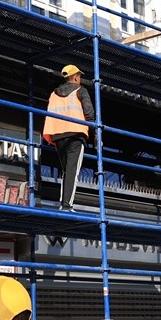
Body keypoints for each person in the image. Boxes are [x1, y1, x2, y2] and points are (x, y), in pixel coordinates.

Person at [43, 64, 94, 212]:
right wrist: (97, 135)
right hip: (76, 134)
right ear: (76, 77)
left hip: (58, 135)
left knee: (67, 170)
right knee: (72, 171)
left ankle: (64, 204)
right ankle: (66, 206)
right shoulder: (81, 90)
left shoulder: (54, 93)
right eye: (80, 76)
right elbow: (89, 114)